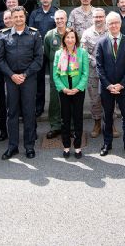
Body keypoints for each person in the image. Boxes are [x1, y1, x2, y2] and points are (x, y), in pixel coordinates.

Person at [0, 6, 43, 159]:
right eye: (15, 17)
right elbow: (0, 59)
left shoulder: (34, 35)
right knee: (12, 113)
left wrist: (24, 74)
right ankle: (13, 146)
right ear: (11, 18)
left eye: (20, 16)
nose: (18, 19)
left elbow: (38, 59)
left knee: (29, 113)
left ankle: (29, 146)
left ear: (25, 17)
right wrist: (12, 75)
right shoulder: (4, 36)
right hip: (10, 80)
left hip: (28, 79)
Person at [96, 12, 125, 157]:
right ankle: (107, 143)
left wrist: (121, 84)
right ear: (107, 25)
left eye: (116, 23)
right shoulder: (101, 42)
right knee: (107, 117)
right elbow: (99, 67)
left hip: (124, 87)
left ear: (120, 24)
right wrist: (108, 85)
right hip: (107, 88)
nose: (113, 25)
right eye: (110, 23)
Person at [80, 8, 119, 139]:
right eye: (96, 17)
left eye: (101, 17)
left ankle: (111, 123)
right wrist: (95, 63)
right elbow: (83, 51)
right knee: (95, 100)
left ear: (105, 18)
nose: (98, 19)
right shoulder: (87, 33)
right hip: (93, 72)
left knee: (110, 99)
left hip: (109, 73)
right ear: (92, 18)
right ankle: (97, 123)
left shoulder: (111, 31)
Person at [52, 28, 89, 158]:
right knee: (65, 119)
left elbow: (85, 73)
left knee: (78, 118)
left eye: (72, 37)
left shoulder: (82, 52)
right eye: (67, 37)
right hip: (64, 91)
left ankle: (78, 146)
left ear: (76, 39)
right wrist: (63, 88)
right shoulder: (58, 53)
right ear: (64, 39)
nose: (70, 40)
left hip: (78, 90)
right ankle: (66, 146)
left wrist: (78, 88)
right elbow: (55, 75)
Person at [28, 0, 59, 117]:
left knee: (55, 79)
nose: (45, 0)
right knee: (39, 80)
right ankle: (39, 107)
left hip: (54, 51)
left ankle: (56, 107)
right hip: (39, 51)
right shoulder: (35, 14)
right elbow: (30, 31)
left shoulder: (56, 12)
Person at [43, 10, 69, 139]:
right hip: (56, 73)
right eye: (57, 19)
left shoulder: (71, 34)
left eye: (61, 18)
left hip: (71, 73)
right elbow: (47, 54)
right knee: (54, 100)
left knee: (71, 99)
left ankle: (71, 126)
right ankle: (55, 126)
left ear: (66, 19)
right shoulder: (49, 35)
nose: (59, 21)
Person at [0, 10, 13, 142]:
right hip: (3, 74)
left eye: (9, 18)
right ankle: (3, 131)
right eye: (5, 19)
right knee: (3, 103)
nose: (7, 21)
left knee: (22, 104)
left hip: (17, 73)